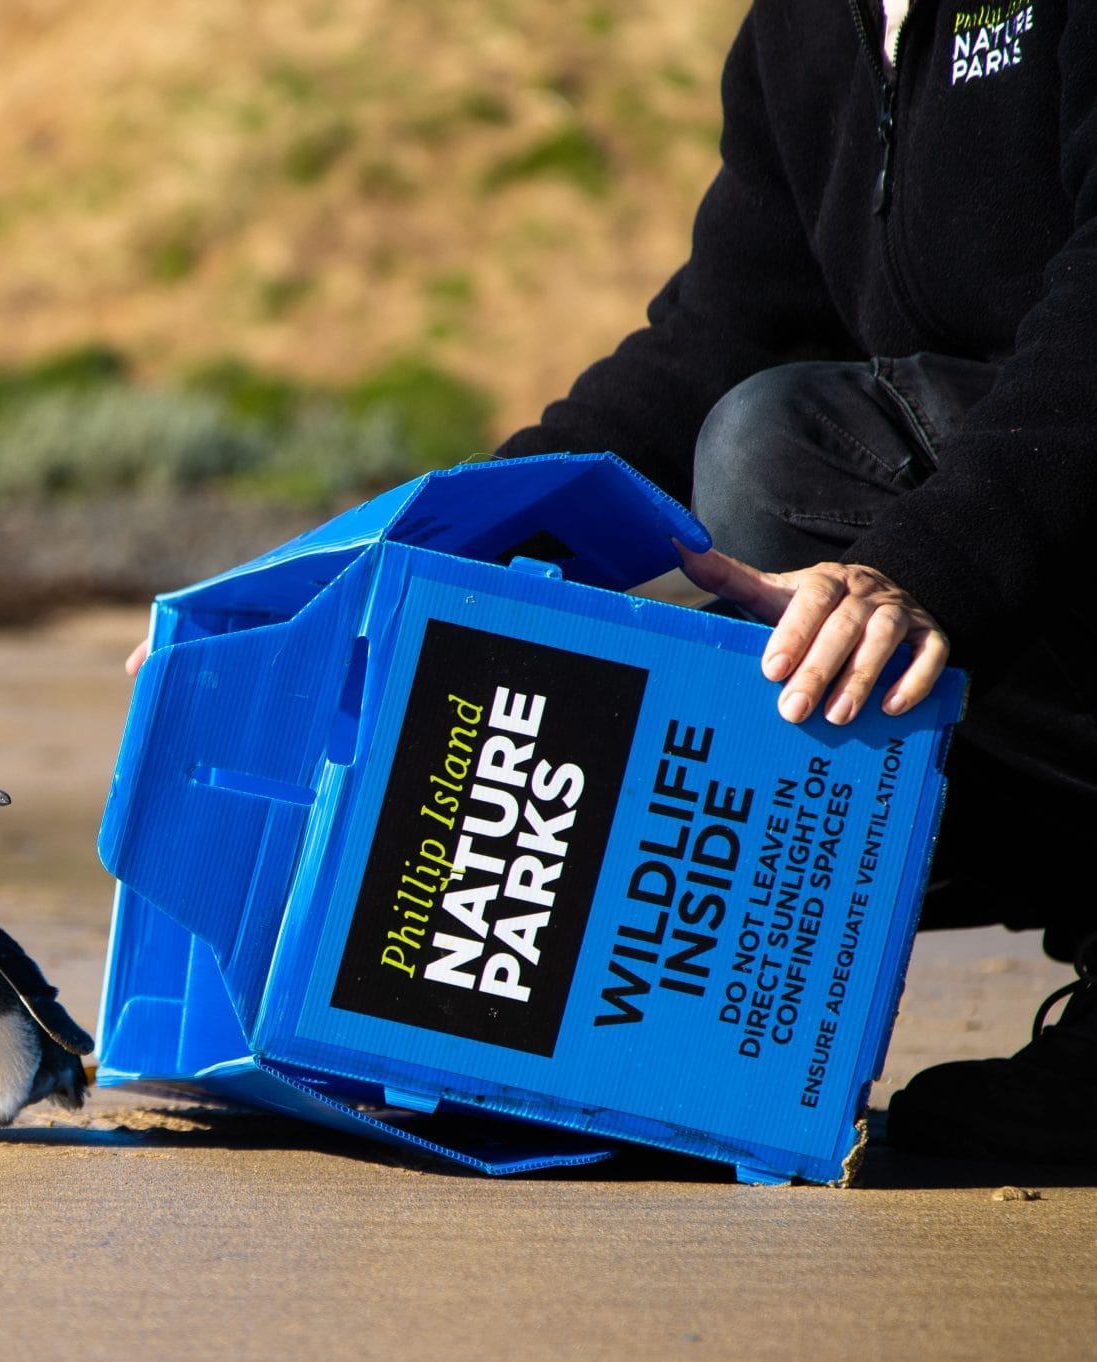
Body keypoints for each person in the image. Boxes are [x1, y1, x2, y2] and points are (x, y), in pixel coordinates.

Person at [131, 2, 1097, 1162]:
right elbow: (708, 343)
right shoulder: (807, 30)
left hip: (1039, 530)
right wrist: (364, 570)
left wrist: (924, 571)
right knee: (673, 691)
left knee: (774, 461)